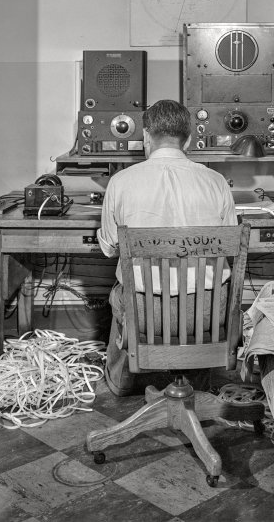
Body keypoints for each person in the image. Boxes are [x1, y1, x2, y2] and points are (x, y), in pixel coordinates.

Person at [97, 99, 237, 396]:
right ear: (188, 139)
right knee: (212, 285)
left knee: (120, 289)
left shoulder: (120, 182)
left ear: (146, 136)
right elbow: (230, 247)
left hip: (147, 313)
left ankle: (123, 380)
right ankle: (197, 384)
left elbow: (110, 248)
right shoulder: (217, 182)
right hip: (206, 313)